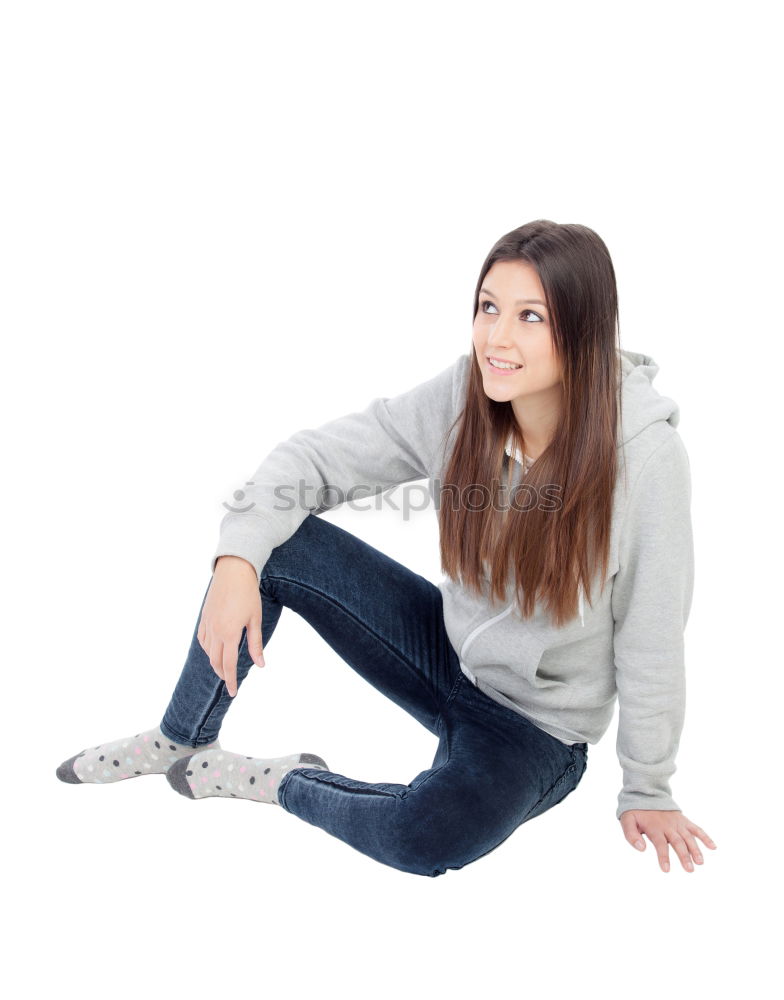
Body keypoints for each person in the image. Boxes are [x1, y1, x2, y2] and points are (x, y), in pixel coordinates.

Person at [56, 220, 717, 878]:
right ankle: (181, 737)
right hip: (445, 653)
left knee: (422, 837)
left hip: (534, 732)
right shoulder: (467, 397)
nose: (498, 337)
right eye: (488, 307)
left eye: (530, 317)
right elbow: (314, 460)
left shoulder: (647, 459)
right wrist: (236, 564)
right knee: (273, 545)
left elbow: (651, 639)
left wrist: (648, 788)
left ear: (583, 328)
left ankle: (274, 781)